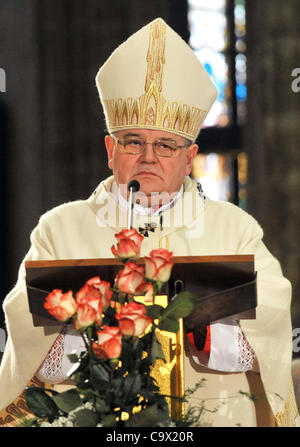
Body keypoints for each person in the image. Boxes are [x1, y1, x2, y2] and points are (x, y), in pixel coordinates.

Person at [0, 18, 299, 427]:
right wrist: (104, 333)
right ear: (110, 149)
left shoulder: (236, 231)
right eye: (133, 142)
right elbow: (32, 353)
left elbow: (271, 334)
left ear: (190, 155)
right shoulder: (58, 230)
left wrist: (199, 333)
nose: (149, 157)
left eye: (166, 145)